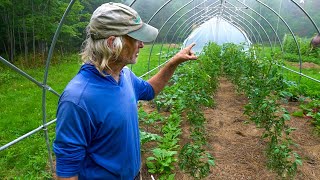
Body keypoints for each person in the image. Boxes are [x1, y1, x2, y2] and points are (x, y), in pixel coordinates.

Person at [53, 2, 197, 180]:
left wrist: (174, 62)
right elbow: (67, 171)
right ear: (113, 43)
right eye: (136, 38)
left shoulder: (124, 76)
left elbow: (150, 90)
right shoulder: (78, 99)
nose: (141, 45)